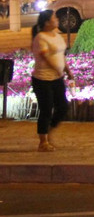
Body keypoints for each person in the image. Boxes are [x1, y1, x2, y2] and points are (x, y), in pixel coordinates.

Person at [30, 9, 75, 152]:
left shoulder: (56, 35)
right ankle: (43, 142)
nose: (56, 20)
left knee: (62, 107)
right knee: (46, 109)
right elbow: (44, 56)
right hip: (42, 79)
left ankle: (48, 130)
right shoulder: (40, 37)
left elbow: (62, 55)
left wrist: (67, 71)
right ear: (47, 22)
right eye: (54, 18)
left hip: (57, 78)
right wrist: (56, 68)